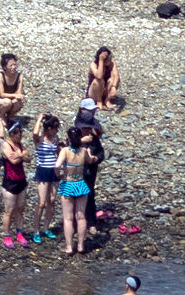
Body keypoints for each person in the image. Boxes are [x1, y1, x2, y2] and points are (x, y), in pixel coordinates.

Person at [55, 126, 96, 255]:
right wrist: (92, 156)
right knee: (81, 216)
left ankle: (69, 247)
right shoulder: (83, 150)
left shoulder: (65, 151)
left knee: (68, 218)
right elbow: (90, 161)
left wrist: (59, 175)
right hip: (80, 184)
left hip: (68, 183)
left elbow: (57, 165)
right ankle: (80, 246)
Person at [72, 101, 106, 231]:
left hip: (90, 171)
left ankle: (91, 222)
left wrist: (95, 159)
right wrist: (80, 142)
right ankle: (76, 224)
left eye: (88, 128)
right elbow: (67, 149)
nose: (86, 130)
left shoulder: (94, 138)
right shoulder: (74, 136)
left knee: (90, 195)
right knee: (75, 196)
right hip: (76, 172)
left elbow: (101, 153)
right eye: (84, 128)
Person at [0, 118, 30, 248]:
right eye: (19, 134)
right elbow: (13, 161)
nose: (21, 136)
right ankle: (7, 236)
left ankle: (19, 233)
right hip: (10, 182)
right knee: (9, 211)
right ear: (12, 134)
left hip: (21, 180)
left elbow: (28, 158)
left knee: (20, 209)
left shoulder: (19, 146)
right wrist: (21, 155)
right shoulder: (6, 145)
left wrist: (20, 155)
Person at [29, 114, 61, 243]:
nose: (56, 131)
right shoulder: (39, 139)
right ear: (48, 128)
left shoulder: (55, 138)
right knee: (41, 202)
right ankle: (36, 230)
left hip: (53, 171)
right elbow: (35, 132)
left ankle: (46, 228)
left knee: (52, 200)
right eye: (54, 128)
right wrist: (39, 119)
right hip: (42, 171)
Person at [87, 46, 122, 112]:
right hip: (94, 92)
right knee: (98, 81)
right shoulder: (93, 65)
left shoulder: (111, 63)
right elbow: (99, 76)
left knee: (112, 79)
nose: (109, 59)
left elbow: (116, 75)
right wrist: (101, 60)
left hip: (105, 90)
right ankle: (99, 101)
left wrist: (114, 87)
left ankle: (107, 100)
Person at [0, 53, 25, 121]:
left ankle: (9, 117)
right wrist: (15, 96)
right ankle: (1, 116)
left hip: (12, 100)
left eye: (14, 65)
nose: (13, 67)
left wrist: (17, 97)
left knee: (19, 103)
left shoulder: (19, 76)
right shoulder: (0, 76)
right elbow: (2, 94)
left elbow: (19, 93)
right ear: (5, 67)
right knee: (7, 102)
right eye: (11, 65)